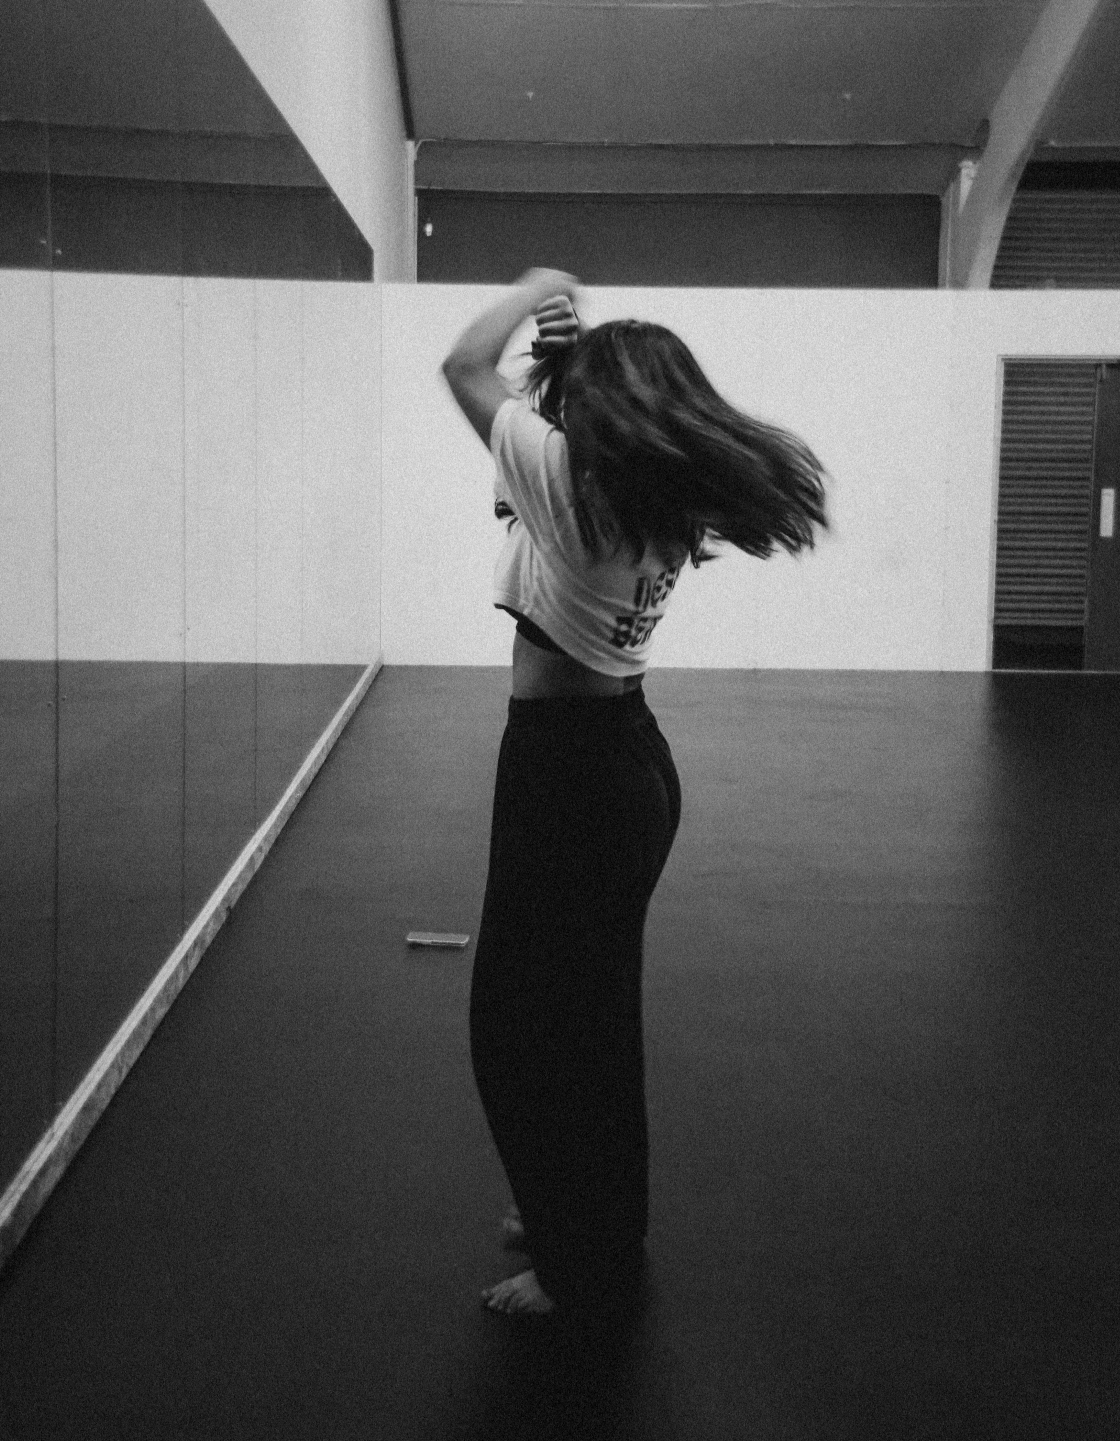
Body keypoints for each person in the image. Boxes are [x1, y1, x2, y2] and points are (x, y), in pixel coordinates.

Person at [441, 269, 828, 1324]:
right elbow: (519, 432)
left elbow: (460, 369)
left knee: (518, 1028)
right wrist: (562, 352)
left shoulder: (576, 486)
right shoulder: (639, 491)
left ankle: (577, 1263)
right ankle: (582, 1217)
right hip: (624, 761)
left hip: (568, 772)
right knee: (589, 1020)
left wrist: (531, 289)